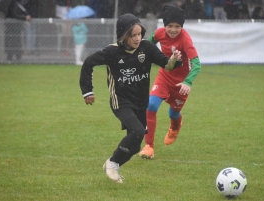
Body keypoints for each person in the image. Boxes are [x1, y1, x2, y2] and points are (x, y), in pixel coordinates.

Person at [79, 13, 182, 183]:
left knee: (135, 147)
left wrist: (174, 59)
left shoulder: (147, 48)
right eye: (133, 35)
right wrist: (87, 91)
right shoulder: (112, 51)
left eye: (139, 34)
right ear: (123, 35)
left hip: (141, 102)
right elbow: (88, 63)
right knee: (137, 131)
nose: (137, 38)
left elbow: (167, 65)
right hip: (121, 102)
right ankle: (113, 163)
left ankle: (112, 162)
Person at [138, 5, 201, 159]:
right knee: (151, 105)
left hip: (181, 84)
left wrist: (188, 82)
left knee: (173, 113)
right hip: (165, 77)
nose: (173, 29)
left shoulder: (185, 40)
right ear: (164, 25)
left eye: (177, 26)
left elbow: (197, 64)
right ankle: (149, 146)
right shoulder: (159, 33)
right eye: (169, 26)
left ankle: (175, 126)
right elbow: (147, 45)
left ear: (182, 26)